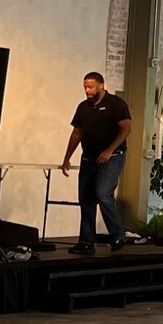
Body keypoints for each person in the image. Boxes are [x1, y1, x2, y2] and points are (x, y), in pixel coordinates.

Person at [61, 71, 132, 254]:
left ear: (101, 85)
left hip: (112, 157)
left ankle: (118, 234)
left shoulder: (116, 104)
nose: (87, 90)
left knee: (102, 193)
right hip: (88, 158)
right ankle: (86, 242)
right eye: (85, 86)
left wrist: (109, 150)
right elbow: (77, 133)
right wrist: (67, 157)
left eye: (91, 86)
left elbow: (126, 129)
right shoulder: (83, 107)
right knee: (85, 199)